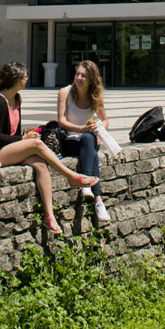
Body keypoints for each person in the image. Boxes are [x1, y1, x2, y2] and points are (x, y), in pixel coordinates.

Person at [0, 61, 99, 235]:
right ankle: (72, 177)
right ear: (15, 80)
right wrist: (24, 139)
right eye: (24, 77)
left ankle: (49, 217)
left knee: (41, 165)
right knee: (36, 144)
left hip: (8, 149)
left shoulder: (16, 99)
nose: (27, 79)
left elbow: (14, 131)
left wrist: (26, 135)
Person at [55, 60, 111, 222]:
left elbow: (105, 120)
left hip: (88, 140)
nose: (79, 78)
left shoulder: (95, 96)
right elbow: (61, 121)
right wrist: (81, 129)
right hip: (70, 140)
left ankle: (87, 185)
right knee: (90, 146)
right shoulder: (64, 92)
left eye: (83, 76)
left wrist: (99, 131)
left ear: (91, 79)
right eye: (77, 74)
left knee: (89, 139)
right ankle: (98, 199)